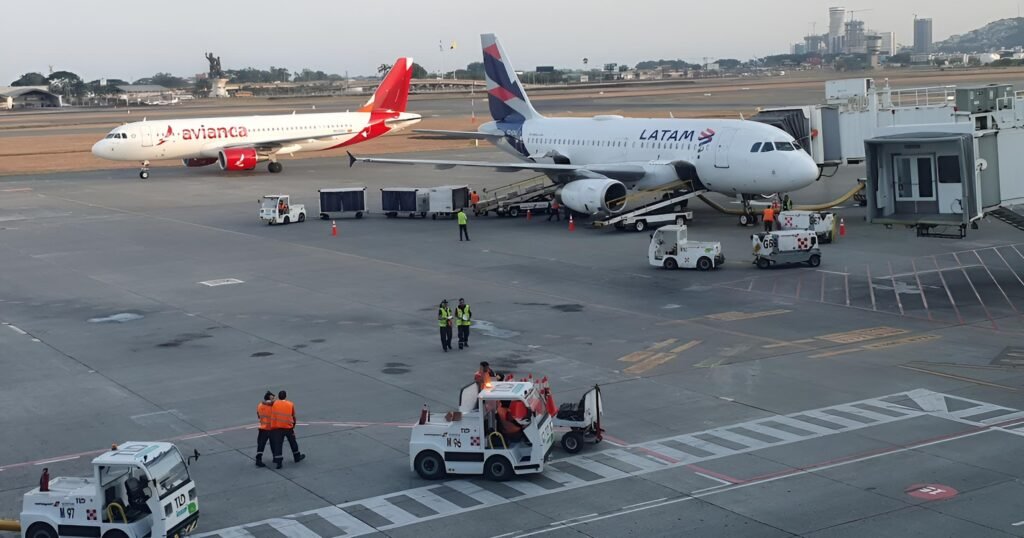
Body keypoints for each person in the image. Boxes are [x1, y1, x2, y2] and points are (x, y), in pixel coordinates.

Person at [269, 390, 305, 469]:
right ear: (285, 396)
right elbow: (293, 415)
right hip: (288, 427)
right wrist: (293, 425)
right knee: (293, 442)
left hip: (278, 428)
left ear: (278, 396)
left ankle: (279, 462)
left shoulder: (275, 403)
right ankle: (297, 457)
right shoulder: (290, 404)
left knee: (278, 444)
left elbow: (270, 404)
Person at [255, 391, 276, 468]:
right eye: (273, 397)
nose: (274, 399)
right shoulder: (273, 405)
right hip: (271, 428)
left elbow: (258, 415)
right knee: (274, 443)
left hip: (263, 428)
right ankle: (275, 457)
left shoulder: (260, 405)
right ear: (269, 398)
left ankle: (258, 459)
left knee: (261, 445)